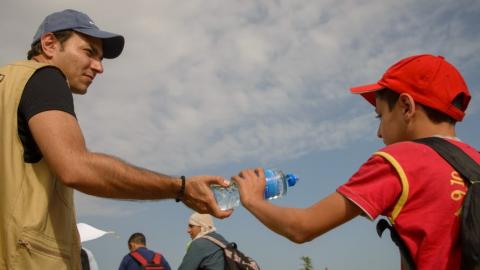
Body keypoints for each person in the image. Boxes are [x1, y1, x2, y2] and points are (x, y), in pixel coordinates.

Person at [0, 9, 231, 270]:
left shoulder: (8, 82)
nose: (99, 67)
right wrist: (180, 187)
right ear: (50, 44)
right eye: (89, 52)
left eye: (100, 58)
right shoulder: (46, 76)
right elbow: (75, 167)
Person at [232, 54, 479, 270]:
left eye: (380, 116)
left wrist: (252, 199)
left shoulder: (400, 160)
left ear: (406, 107)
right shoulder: (475, 161)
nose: (379, 133)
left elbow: (302, 227)